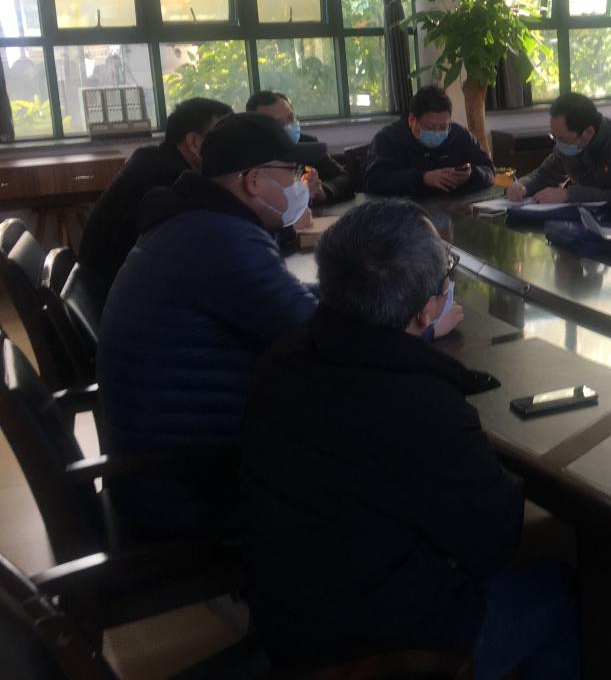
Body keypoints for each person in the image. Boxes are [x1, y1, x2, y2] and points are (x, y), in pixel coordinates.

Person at [241, 198, 580, 679]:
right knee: (557, 591)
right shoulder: (423, 405)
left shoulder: (283, 359)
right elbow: (492, 545)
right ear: (427, 311)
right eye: (447, 279)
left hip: (285, 611)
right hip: (379, 645)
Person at [96, 112, 328, 534]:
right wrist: (414, 322)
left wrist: (355, 296)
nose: (299, 183)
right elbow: (320, 336)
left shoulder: (194, 220)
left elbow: (288, 301)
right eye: (293, 172)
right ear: (253, 180)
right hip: (192, 486)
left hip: (161, 466)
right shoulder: (223, 238)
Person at [77, 97, 232, 309]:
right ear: (194, 143)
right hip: (119, 303)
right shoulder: (171, 181)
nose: (234, 146)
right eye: (226, 137)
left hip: (104, 294)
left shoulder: (152, 159)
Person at [507, 92, 611, 214]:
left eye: (562, 138)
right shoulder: (567, 144)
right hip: (583, 221)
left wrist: (569, 195)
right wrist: (522, 185)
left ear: (588, 132)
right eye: (553, 137)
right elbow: (545, 174)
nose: (558, 144)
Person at [364, 85, 494, 197]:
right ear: (411, 120)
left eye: (443, 127)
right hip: (406, 211)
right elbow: (374, 182)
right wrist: (422, 178)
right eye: (430, 127)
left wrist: (472, 175)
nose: (437, 132)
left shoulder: (458, 135)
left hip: (455, 207)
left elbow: (489, 170)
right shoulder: (388, 139)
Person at [246, 90, 354, 205]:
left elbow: (345, 178)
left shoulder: (307, 145)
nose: (288, 126)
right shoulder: (247, 156)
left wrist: (321, 190)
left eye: (290, 118)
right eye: (277, 123)